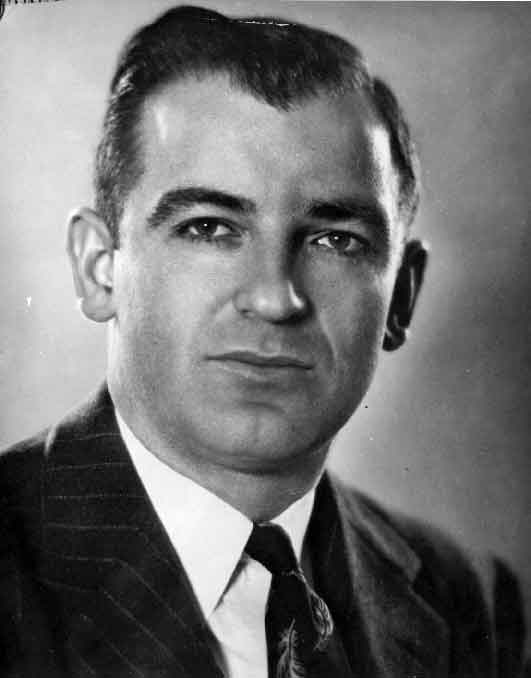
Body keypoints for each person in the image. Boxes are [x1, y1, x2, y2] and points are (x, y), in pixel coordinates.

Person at [0, 5, 526, 677]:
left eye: (335, 240)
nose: (276, 299)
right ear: (99, 266)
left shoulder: (471, 604)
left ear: (401, 294)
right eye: (208, 228)